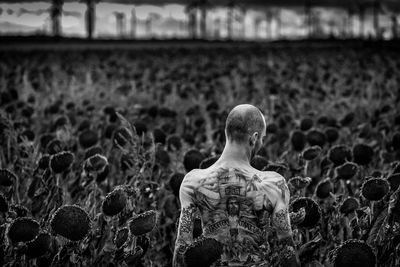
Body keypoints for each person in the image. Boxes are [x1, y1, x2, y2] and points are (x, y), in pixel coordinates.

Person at [173, 104, 300, 267]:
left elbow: (181, 248)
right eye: (262, 138)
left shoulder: (194, 181)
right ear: (254, 138)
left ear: (227, 134)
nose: (261, 143)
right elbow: (287, 250)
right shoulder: (274, 183)